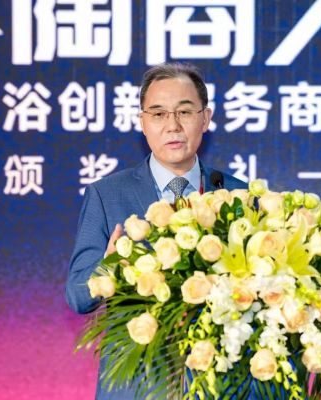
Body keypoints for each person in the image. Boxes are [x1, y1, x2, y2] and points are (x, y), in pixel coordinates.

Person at [65, 62, 246, 399]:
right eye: (159, 114)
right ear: (142, 122)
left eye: (185, 112)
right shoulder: (107, 195)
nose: (173, 125)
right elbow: (77, 296)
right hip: (137, 386)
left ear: (205, 119)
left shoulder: (238, 194)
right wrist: (110, 268)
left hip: (219, 385)